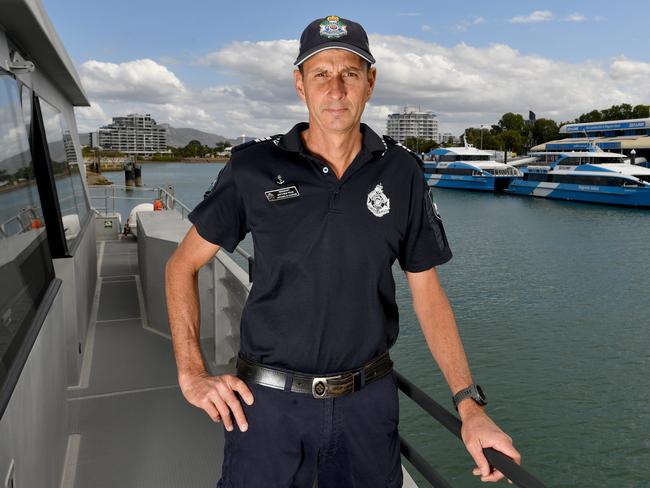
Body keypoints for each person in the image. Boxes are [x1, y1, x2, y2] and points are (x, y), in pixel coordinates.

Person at [165, 15, 521, 488]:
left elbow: (428, 294)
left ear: (370, 83)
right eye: (321, 74)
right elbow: (181, 265)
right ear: (300, 85)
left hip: (367, 406)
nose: (336, 88)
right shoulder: (253, 168)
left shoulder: (402, 172)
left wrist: (468, 404)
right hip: (266, 409)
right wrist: (192, 372)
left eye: (350, 73)